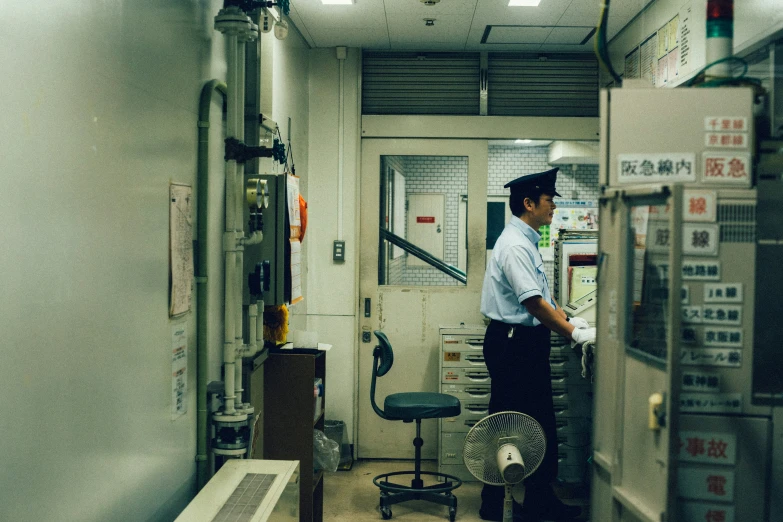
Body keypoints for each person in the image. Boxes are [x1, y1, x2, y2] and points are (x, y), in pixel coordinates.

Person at [479, 167, 596, 522]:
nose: (553, 208)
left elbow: (545, 297)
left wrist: (569, 320)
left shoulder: (525, 240)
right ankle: (499, 503)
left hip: (522, 343)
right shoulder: (515, 245)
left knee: (532, 421)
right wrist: (572, 333)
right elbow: (533, 303)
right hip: (515, 345)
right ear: (528, 203)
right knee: (512, 423)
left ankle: (533, 499)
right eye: (548, 201)